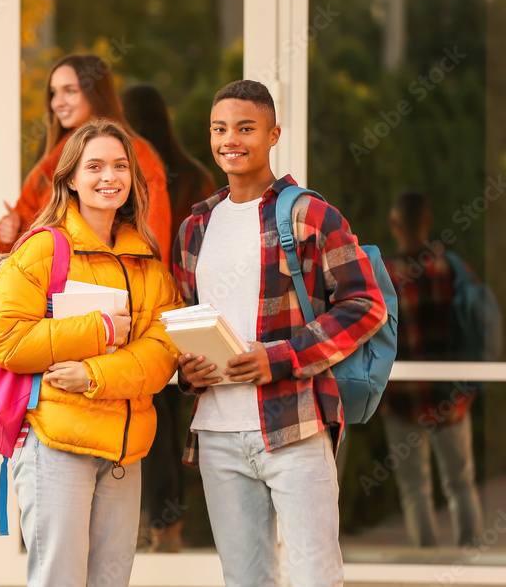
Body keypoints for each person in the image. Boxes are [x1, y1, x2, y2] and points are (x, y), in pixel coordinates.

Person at [172, 80, 387, 586]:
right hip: (218, 432)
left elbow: (365, 304)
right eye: (219, 129)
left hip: (295, 426)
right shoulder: (194, 228)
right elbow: (184, 319)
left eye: (246, 128)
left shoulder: (309, 214)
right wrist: (187, 371)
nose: (231, 140)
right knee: (244, 580)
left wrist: (281, 356)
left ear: (273, 135)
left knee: (316, 577)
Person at [0, 119, 180, 587]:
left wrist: (93, 374)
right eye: (94, 166)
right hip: (56, 444)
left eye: (120, 166)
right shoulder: (43, 249)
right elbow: (5, 339)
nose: (109, 176)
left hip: (124, 451)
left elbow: (163, 351)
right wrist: (100, 328)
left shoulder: (147, 261)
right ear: (70, 178)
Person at [120, 83, 216, 552]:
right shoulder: (197, 177)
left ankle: (147, 524)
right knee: (178, 426)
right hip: (191, 311)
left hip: (146, 311)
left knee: (145, 421)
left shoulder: (135, 177)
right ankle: (170, 527)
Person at [0, 55, 172, 264]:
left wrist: (143, 273)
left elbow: (154, 229)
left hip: (118, 277)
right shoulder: (56, 158)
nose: (57, 102)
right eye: (54, 93)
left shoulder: (137, 154)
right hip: (57, 276)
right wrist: (9, 232)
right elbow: (25, 233)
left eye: (70, 91)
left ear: (95, 94)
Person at [380, 190, 483, 547]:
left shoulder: (385, 275)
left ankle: (426, 563)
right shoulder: (451, 268)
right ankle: (471, 560)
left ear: (394, 224)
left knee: (415, 489)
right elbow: (475, 326)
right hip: (448, 395)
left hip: (402, 396)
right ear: (427, 221)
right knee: (461, 483)